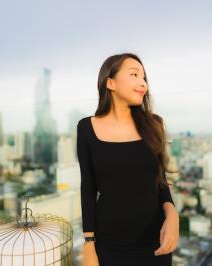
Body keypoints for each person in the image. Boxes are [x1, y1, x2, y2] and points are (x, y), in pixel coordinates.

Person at [77, 53, 180, 266]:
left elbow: (159, 179)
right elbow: (88, 187)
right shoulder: (86, 128)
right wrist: (89, 243)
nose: (143, 84)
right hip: (109, 244)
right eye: (134, 74)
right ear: (110, 83)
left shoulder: (154, 124)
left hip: (155, 242)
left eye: (144, 78)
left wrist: (172, 215)